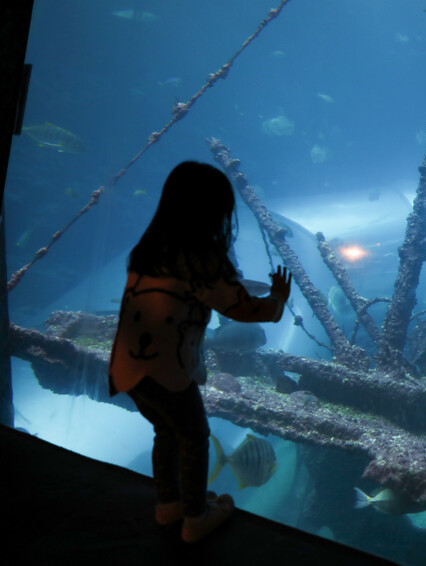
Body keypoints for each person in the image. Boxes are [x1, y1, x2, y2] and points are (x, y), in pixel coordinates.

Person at [108, 161, 292, 543]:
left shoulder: (147, 249)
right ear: (217, 214)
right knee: (194, 437)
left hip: (128, 366)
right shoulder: (205, 259)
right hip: (167, 370)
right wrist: (277, 298)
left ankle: (168, 504)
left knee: (166, 432)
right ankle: (195, 518)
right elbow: (243, 309)